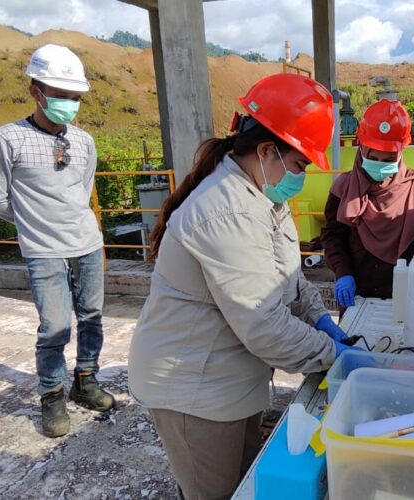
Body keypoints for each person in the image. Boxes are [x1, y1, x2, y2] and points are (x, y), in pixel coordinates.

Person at [128, 73, 357, 500]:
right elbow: (264, 325)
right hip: (193, 389)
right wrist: (333, 357)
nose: (302, 176)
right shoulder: (226, 211)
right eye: (301, 163)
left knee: (246, 484)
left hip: (233, 378)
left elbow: (290, 278)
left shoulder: (266, 197)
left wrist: (323, 321)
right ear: (268, 150)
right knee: (215, 493)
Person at [0, 44, 114, 438]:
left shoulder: (84, 141)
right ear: (35, 90)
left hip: (87, 244)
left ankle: (85, 379)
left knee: (91, 317)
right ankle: (51, 395)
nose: (68, 103)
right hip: (43, 251)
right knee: (54, 326)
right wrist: (34, 223)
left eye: (74, 97)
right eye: (59, 94)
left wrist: (68, 219)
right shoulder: (6, 140)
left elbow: (81, 188)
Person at [321, 99, 414, 310]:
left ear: (400, 154)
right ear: (361, 150)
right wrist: (343, 273)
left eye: (388, 159)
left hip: (403, 291)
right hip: (357, 290)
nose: (379, 164)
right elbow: (333, 237)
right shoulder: (342, 188)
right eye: (373, 156)